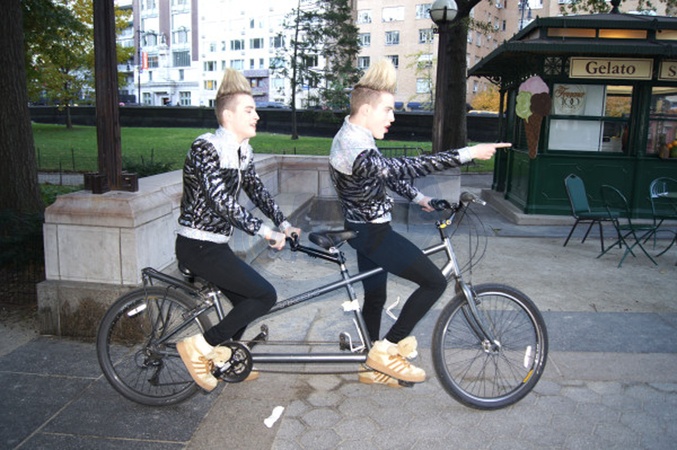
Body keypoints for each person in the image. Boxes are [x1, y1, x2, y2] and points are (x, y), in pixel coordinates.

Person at [329, 59, 511, 387]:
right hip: (373, 233)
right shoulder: (353, 145)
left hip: (362, 230)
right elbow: (406, 167)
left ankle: (369, 368)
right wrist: (468, 153)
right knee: (434, 283)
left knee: (375, 297)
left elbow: (382, 175)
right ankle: (386, 350)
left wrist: (419, 198)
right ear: (367, 110)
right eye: (388, 110)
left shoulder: (354, 136)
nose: (393, 117)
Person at [175, 69, 301, 391]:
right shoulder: (206, 147)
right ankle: (201, 345)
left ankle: (223, 359)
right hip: (197, 245)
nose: (257, 116)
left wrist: (284, 224)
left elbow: (257, 190)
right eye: (249, 110)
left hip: (215, 245)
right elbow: (220, 201)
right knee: (265, 294)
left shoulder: (242, 150)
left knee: (248, 300)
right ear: (228, 115)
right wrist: (265, 232)